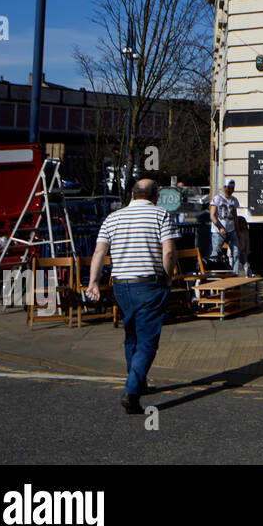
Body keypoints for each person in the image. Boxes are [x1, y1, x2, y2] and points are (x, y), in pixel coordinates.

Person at [85, 177, 178, 415]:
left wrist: (93, 282)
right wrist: (168, 278)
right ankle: (132, 390)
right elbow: (168, 252)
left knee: (131, 336)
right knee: (147, 341)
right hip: (149, 284)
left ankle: (137, 381)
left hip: (121, 286)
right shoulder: (161, 215)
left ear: (133, 195)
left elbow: (99, 251)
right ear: (156, 196)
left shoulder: (113, 217)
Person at [210, 180, 243, 274]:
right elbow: (212, 215)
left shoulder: (234, 200)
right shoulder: (217, 198)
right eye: (228, 187)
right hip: (218, 231)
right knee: (215, 253)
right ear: (224, 187)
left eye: (231, 187)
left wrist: (237, 231)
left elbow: (235, 217)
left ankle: (234, 274)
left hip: (231, 230)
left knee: (236, 253)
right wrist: (219, 227)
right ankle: (213, 274)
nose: (229, 190)